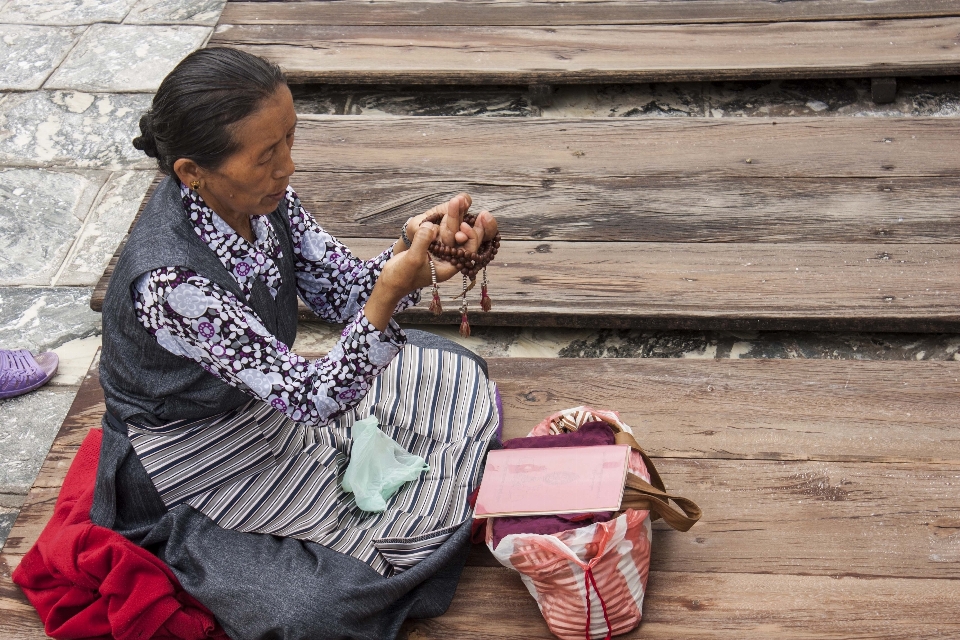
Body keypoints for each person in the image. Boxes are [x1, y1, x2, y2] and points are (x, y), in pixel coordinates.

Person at [91, 47, 502, 639]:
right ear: (191, 172)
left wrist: (418, 252)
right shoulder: (170, 280)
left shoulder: (264, 200)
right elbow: (314, 398)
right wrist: (387, 297)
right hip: (182, 453)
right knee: (321, 605)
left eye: (289, 139)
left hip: (264, 402)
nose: (287, 167)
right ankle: (192, 543)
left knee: (452, 369)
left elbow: (344, 291)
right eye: (266, 155)